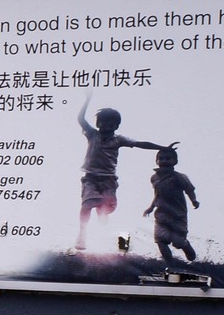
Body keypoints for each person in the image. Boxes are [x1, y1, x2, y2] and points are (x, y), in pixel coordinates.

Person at [72, 100, 169, 252]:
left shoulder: (119, 139)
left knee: (107, 208)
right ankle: (82, 234)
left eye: (111, 124)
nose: (107, 126)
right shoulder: (92, 135)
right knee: (86, 205)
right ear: (98, 124)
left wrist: (161, 147)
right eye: (104, 123)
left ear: (116, 126)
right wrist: (87, 100)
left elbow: (140, 144)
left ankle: (102, 212)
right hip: (90, 178)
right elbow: (81, 120)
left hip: (108, 180)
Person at [141, 146, 201, 263]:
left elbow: (189, 190)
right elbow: (157, 194)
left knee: (178, 242)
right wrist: (151, 207)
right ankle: (169, 263)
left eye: (168, 158)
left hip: (177, 215)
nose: (164, 161)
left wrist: (194, 200)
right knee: (160, 239)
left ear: (175, 161)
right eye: (161, 158)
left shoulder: (179, 177)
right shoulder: (154, 178)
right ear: (157, 161)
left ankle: (188, 251)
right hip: (162, 214)